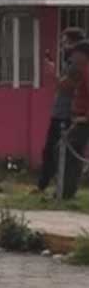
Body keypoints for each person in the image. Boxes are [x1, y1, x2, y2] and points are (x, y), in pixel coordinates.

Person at [39, 27, 85, 193]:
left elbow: (66, 85)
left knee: (61, 151)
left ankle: (61, 189)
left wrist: (52, 74)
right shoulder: (72, 61)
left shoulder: (78, 61)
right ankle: (49, 186)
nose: (63, 46)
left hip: (70, 115)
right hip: (65, 112)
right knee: (56, 150)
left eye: (65, 42)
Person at [57, 40, 89, 200]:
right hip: (78, 118)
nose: (73, 58)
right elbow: (63, 86)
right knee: (68, 153)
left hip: (83, 121)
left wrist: (84, 118)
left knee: (69, 153)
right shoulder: (80, 71)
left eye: (76, 54)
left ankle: (66, 193)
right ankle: (66, 192)